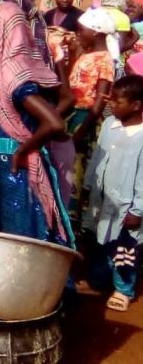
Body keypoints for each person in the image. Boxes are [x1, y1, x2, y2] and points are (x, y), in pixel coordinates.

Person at [0, 0, 73, 245]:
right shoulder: (11, 67)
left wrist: (23, 149)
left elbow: (54, 123)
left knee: (19, 232)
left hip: (15, 166)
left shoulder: (14, 75)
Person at [82, 75, 143, 312]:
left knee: (125, 247)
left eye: (118, 102)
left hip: (126, 204)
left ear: (136, 105)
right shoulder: (109, 126)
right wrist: (88, 185)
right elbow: (97, 157)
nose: (111, 105)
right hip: (102, 198)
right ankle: (99, 280)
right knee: (100, 241)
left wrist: (138, 209)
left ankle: (123, 288)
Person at [67, 8, 117, 224]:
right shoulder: (87, 54)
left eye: (82, 30)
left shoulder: (104, 60)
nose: (78, 34)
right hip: (73, 114)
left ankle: (73, 218)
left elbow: (98, 102)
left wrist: (80, 133)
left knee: (76, 168)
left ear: (96, 32)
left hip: (84, 118)